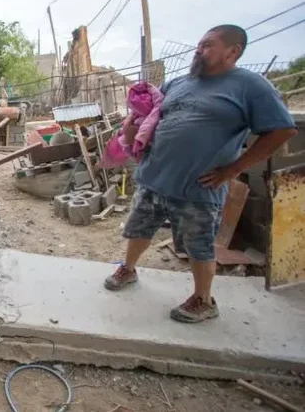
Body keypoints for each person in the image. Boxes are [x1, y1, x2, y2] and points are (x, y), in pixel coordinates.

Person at [104, 25, 297, 323]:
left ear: (232, 52)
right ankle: (128, 269)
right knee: (139, 228)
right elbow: (150, 118)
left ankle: (203, 300)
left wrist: (234, 169)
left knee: (199, 245)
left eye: (208, 45)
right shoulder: (178, 84)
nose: (198, 49)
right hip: (154, 176)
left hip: (198, 187)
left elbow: (282, 129)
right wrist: (132, 131)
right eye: (199, 44)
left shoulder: (250, 86)